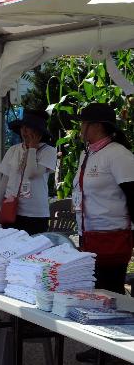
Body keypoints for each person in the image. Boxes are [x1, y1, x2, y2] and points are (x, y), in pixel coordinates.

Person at [72, 103, 134, 293]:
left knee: (110, 293)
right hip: (88, 237)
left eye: (83, 124)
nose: (80, 129)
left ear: (97, 126)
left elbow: (132, 195)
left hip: (111, 239)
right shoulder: (87, 153)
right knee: (94, 293)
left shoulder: (118, 155)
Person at [0, 109, 56, 235]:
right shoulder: (13, 150)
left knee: (33, 252)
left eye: (29, 128)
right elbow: (5, 180)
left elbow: (31, 173)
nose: (24, 131)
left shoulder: (48, 151)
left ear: (38, 131)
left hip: (35, 214)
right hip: (11, 211)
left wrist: (32, 148)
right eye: (22, 127)